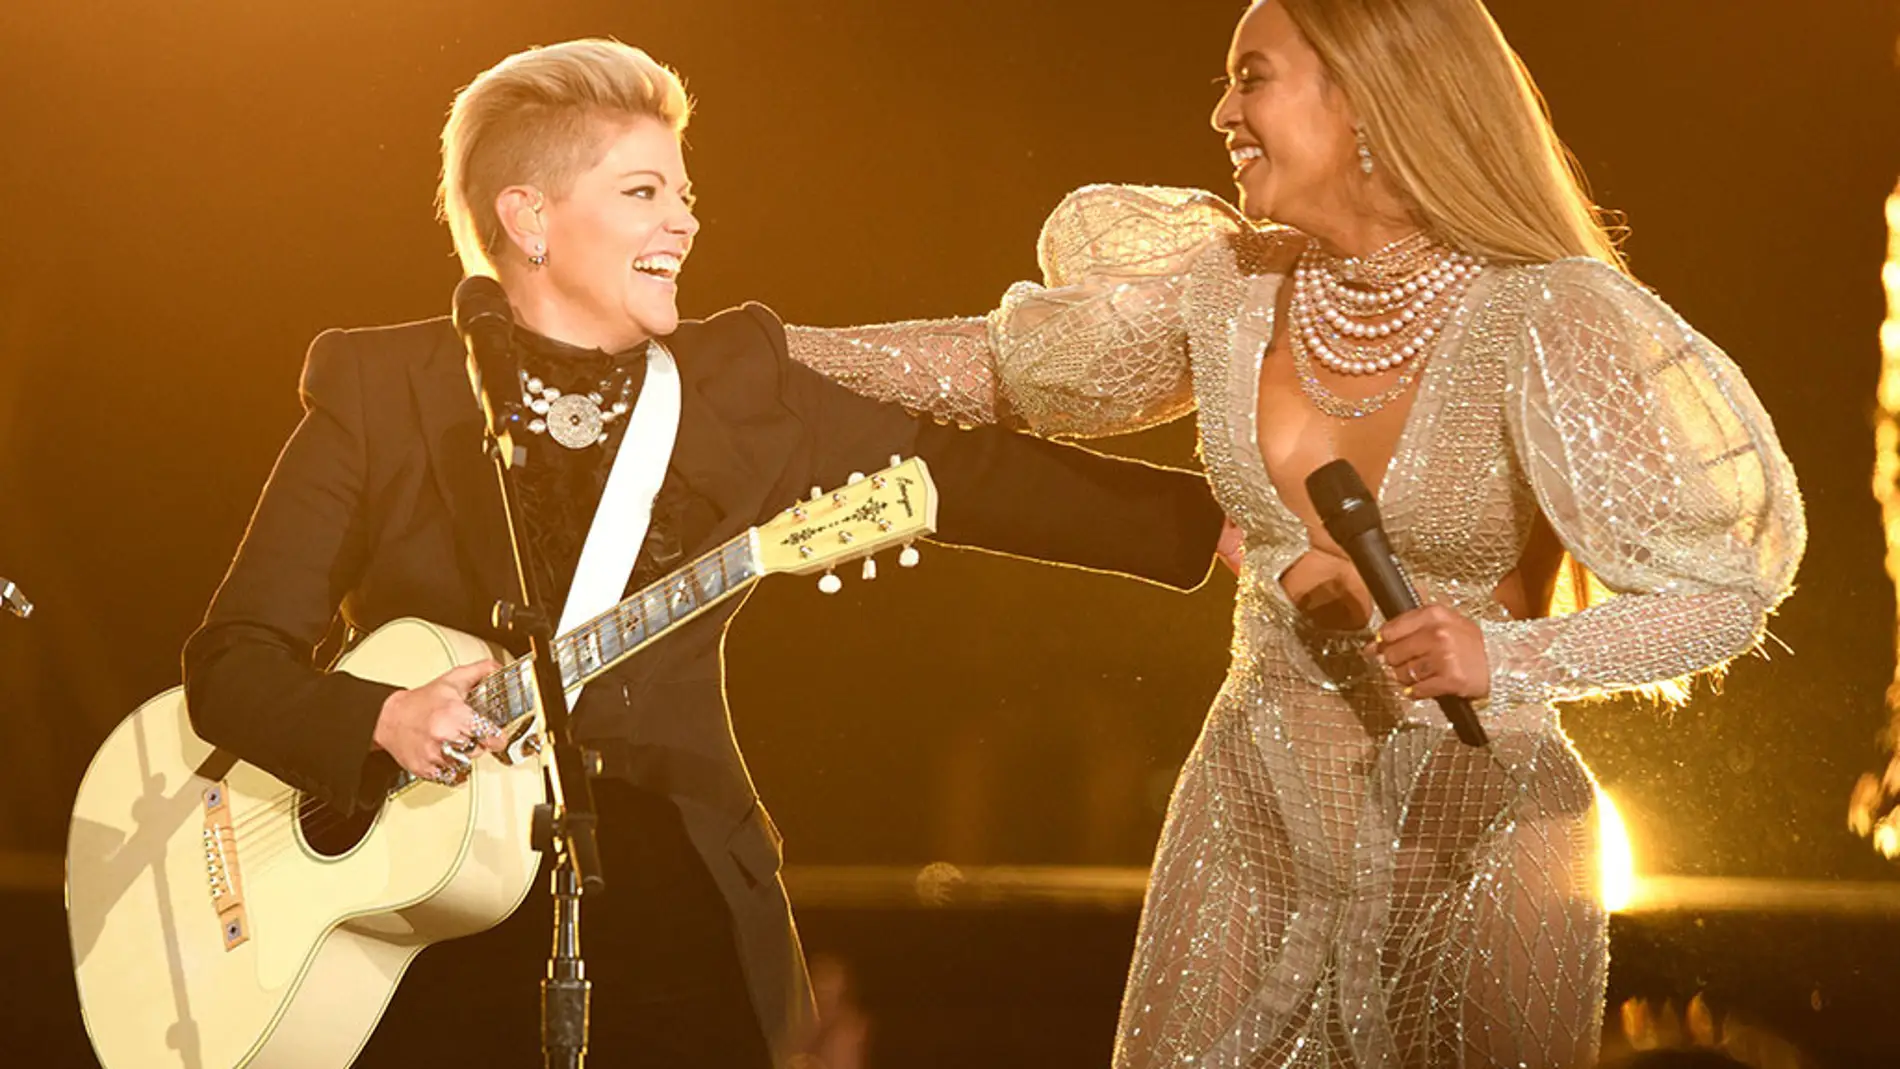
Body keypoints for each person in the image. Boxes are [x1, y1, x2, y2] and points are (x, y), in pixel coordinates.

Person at [785, 1, 1805, 1065]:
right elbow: (995, 369)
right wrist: (752, 355)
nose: (1222, 112)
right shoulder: (1233, 286)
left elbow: (1725, 597)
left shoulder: (1548, 313)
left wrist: (1503, 653)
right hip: (1250, 807)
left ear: (1368, 98)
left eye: (1251, 77)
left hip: (1480, 832)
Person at [181, 38, 1229, 1069]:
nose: (684, 219)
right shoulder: (382, 388)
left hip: (673, 912)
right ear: (528, 214)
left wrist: (1218, 528)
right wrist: (380, 715)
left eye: (682, 193)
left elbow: (973, 475)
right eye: (643, 191)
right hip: (419, 937)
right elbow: (230, 665)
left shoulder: (738, 386)